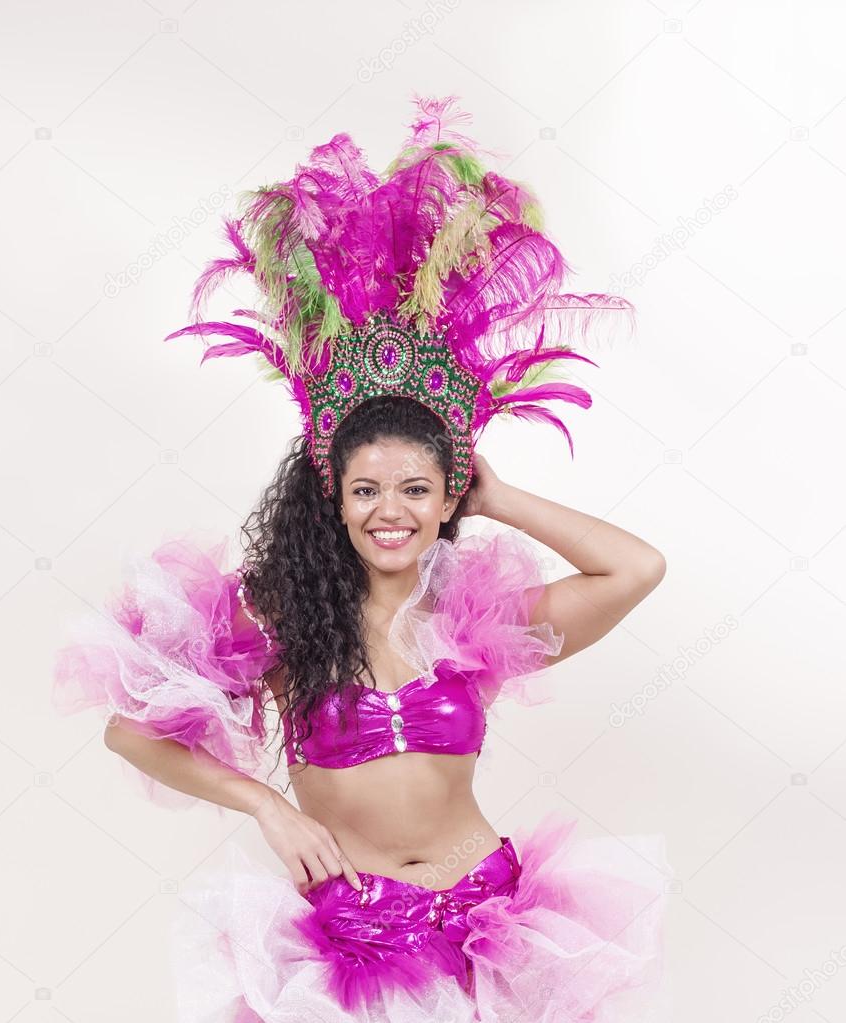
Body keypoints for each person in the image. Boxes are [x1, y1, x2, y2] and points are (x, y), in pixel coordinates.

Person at [53, 94, 672, 1022]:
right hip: (351, 936)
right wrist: (268, 805)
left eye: (417, 489)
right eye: (367, 489)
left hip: (493, 922)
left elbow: (636, 569)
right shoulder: (275, 615)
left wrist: (496, 492)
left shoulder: (479, 625)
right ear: (332, 497)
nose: (391, 511)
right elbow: (130, 729)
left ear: (446, 497)